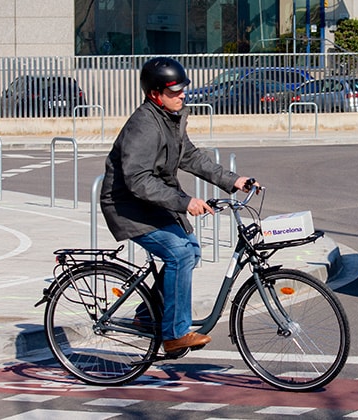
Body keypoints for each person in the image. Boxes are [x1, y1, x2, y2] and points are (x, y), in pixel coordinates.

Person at [100, 57, 257, 354]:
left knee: (192, 249)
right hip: (126, 204)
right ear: (154, 94)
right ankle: (174, 334)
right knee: (179, 254)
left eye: (183, 89)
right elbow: (137, 179)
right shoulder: (144, 125)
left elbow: (191, 157)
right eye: (174, 92)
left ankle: (147, 316)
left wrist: (235, 180)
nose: (182, 95)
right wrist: (185, 202)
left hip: (150, 200)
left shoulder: (171, 119)